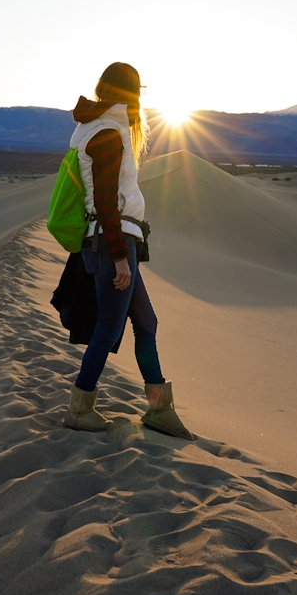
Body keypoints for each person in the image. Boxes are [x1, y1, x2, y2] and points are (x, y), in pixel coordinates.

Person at [63, 62, 193, 440]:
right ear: (133, 94)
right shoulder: (106, 131)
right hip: (111, 242)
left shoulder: (102, 125)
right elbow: (105, 200)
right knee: (108, 327)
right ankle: (79, 408)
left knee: (146, 323)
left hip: (116, 240)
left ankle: (158, 409)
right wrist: (120, 257)